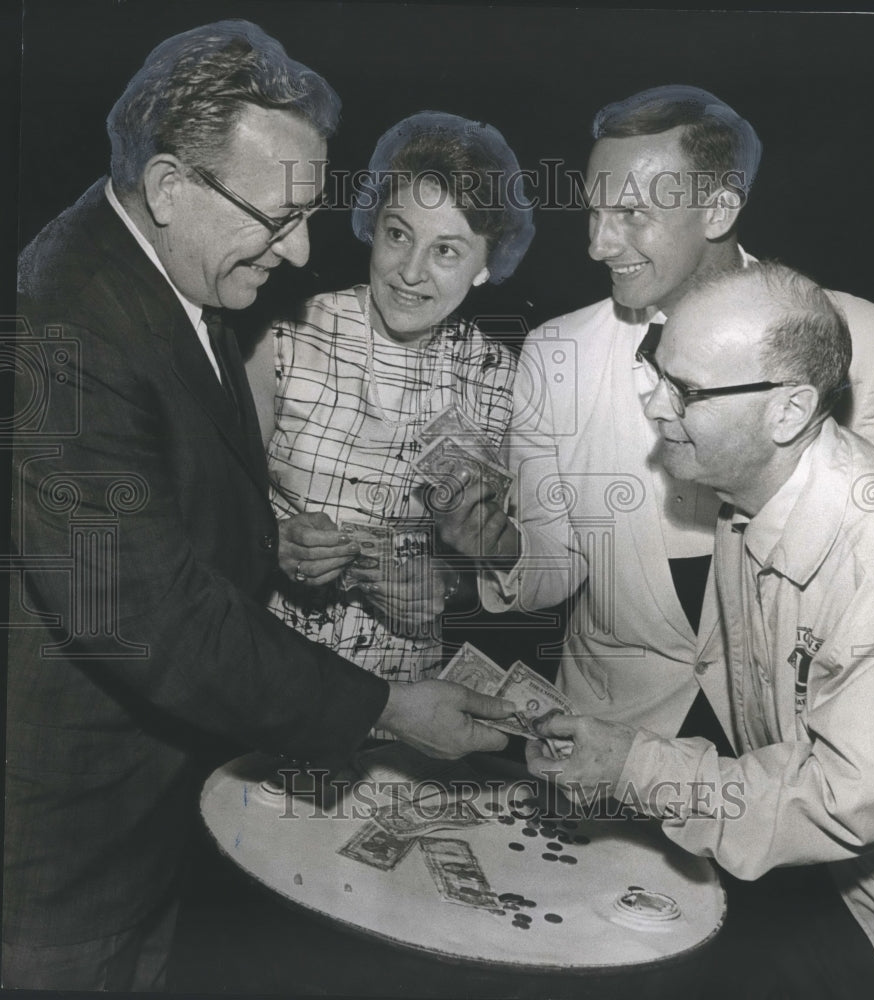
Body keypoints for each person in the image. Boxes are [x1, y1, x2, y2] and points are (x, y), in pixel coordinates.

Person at [4, 23, 513, 991]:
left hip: (148, 810)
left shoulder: (169, 286)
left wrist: (273, 535)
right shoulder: (63, 328)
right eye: (278, 219)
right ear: (168, 188)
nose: (304, 251)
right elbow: (143, 616)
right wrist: (386, 707)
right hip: (65, 844)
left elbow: (174, 507)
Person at [436, 84, 874, 739]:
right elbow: (553, 568)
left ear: (719, 208)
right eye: (593, 213)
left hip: (796, 746)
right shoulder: (555, 352)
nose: (598, 244)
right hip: (609, 732)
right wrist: (500, 547)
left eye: (630, 214)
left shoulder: (867, 343)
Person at [527, 261, 874, 961]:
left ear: (789, 410)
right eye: (655, 376)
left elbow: (846, 797)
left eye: (685, 391)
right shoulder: (741, 506)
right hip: (818, 891)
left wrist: (637, 769)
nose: (655, 408)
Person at [245, 112, 534, 688]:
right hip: (267, 670)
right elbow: (208, 509)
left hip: (410, 693)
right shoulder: (282, 338)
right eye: (398, 234)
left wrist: (447, 583)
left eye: (447, 251)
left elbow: (502, 556)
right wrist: (270, 543)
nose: (410, 272)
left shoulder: (501, 382)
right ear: (372, 226)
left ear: (486, 266)